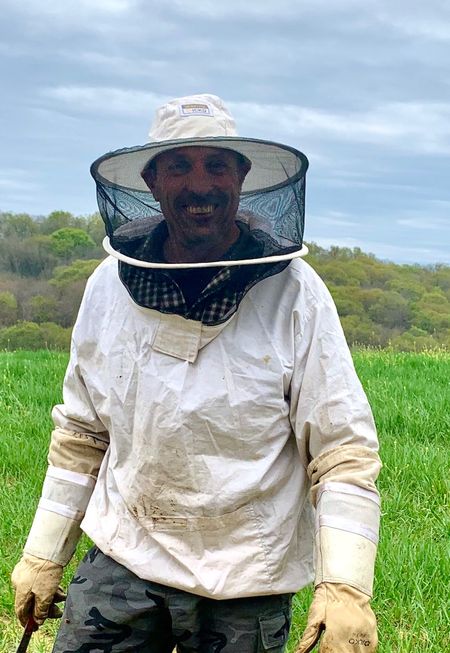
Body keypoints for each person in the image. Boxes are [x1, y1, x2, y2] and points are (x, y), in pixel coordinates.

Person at [12, 94, 381, 652]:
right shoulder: (106, 286)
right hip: (125, 552)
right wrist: (43, 554)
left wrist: (346, 587)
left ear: (241, 177)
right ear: (152, 182)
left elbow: (342, 452)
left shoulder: (297, 295)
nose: (199, 184)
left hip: (246, 574)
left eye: (216, 165)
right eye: (179, 166)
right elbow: (83, 436)